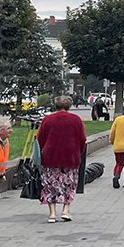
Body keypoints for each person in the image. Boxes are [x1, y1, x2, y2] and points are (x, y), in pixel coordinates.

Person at [36, 95, 87, 223]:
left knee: (50, 185)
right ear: (69, 106)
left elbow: (40, 138)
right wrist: (78, 152)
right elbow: (82, 139)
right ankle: (65, 210)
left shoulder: (47, 120)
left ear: (55, 105)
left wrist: (44, 151)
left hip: (51, 157)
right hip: (71, 156)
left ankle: (52, 214)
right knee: (69, 184)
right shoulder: (76, 120)